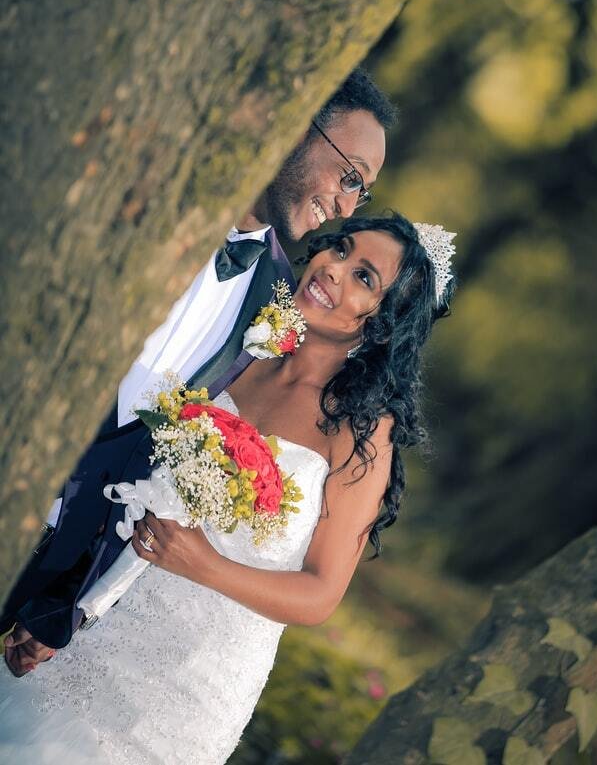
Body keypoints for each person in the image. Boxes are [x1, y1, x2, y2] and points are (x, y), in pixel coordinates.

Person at [0, 213, 455, 765]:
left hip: (187, 685)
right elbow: (131, 481)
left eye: (364, 277)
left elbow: (320, 595)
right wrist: (60, 608)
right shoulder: (242, 351)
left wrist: (202, 564)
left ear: (383, 321)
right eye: (339, 248)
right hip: (95, 621)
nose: (334, 268)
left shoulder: (362, 433)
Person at [1, 66, 396, 672]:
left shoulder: (272, 303)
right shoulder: (146, 193)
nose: (345, 205)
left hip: (37, 563)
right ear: (298, 122)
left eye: (359, 191)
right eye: (348, 175)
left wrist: (64, 603)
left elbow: (155, 460)